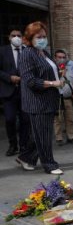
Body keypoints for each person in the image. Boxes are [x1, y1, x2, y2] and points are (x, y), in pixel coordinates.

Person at [17, 21, 64, 175]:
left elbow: (49, 71)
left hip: (49, 99)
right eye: (39, 37)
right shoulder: (27, 54)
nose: (43, 39)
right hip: (38, 102)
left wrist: (59, 79)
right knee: (44, 134)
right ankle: (49, 164)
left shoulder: (44, 52)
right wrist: (53, 83)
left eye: (44, 36)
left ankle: (26, 157)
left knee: (40, 133)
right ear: (30, 38)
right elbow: (30, 81)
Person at [0, 28, 30, 156]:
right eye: (14, 35)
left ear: (22, 37)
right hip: (8, 92)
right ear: (9, 37)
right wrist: (9, 78)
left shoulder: (27, 51)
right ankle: (13, 144)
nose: (16, 37)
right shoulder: (2, 51)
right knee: (10, 119)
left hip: (25, 92)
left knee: (25, 120)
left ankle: (23, 145)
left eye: (19, 35)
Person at [53, 49, 73, 146]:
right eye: (59, 57)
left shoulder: (70, 67)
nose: (62, 59)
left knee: (70, 118)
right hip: (57, 98)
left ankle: (71, 137)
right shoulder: (52, 69)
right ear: (55, 58)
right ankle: (59, 138)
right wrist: (60, 73)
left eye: (64, 57)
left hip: (68, 98)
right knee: (58, 119)